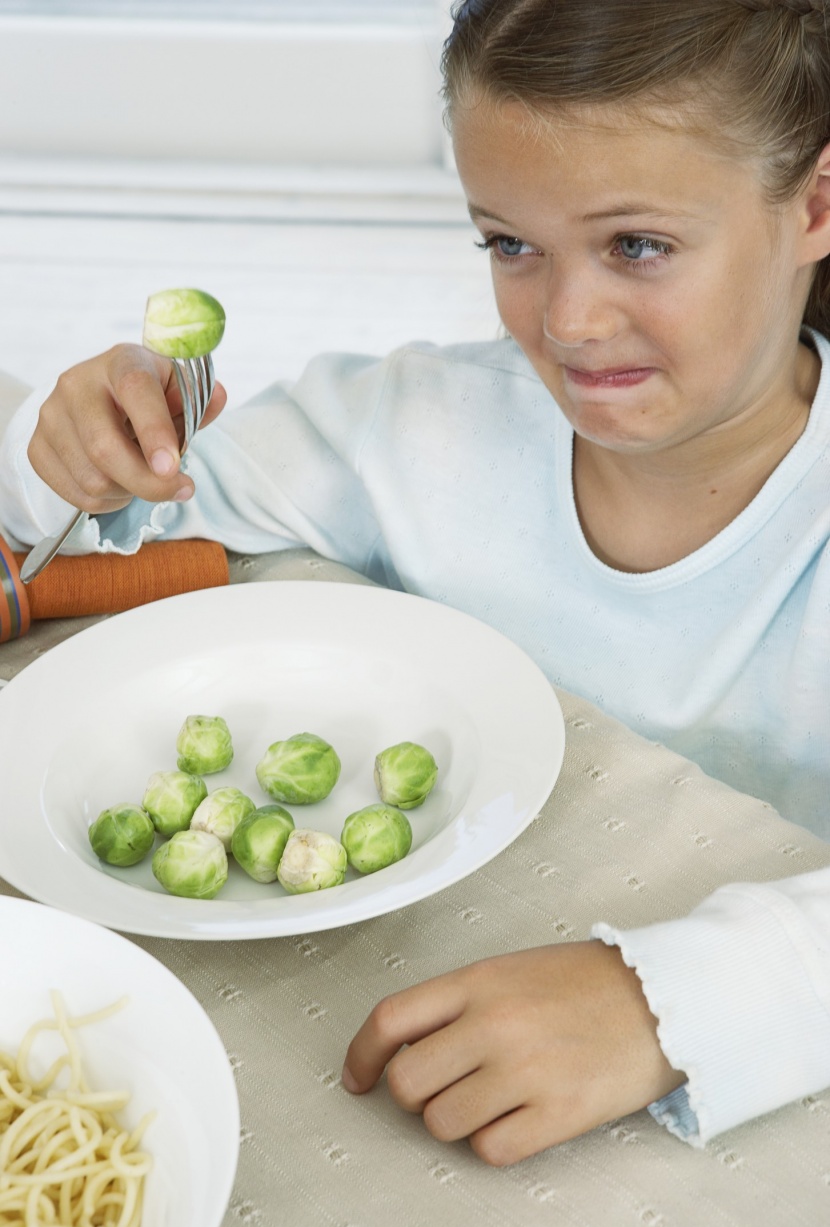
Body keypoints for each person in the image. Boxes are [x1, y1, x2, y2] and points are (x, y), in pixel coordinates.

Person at [1, 0, 830, 1166]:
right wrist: (84, 441)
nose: (567, 322)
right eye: (508, 244)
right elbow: (126, 510)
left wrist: (663, 1004)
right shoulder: (413, 426)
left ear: (811, 207)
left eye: (635, 245)